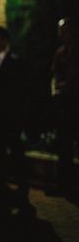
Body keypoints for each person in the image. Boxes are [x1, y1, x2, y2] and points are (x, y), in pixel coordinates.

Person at [0, 26, 30, 219]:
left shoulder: (14, 62)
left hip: (10, 117)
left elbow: (19, 91)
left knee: (16, 153)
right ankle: (1, 191)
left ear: (3, 41)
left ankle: (22, 191)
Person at [50, 17, 78, 199]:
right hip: (64, 103)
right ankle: (64, 185)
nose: (62, 34)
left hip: (74, 101)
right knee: (64, 144)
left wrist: (66, 86)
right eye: (60, 30)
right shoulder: (60, 52)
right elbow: (54, 74)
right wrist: (55, 89)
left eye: (65, 30)